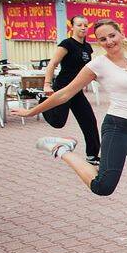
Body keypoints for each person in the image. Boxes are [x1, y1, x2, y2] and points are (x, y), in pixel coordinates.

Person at [12, 20, 127, 253]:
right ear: (98, 43)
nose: (109, 41)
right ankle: (62, 150)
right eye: (103, 39)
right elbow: (66, 93)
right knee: (103, 186)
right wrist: (32, 111)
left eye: (112, 35)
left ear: (120, 35)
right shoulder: (98, 65)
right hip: (116, 128)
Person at [41, 14, 101, 165]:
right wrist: (47, 84)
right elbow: (52, 63)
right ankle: (43, 100)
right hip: (63, 88)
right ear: (72, 27)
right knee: (58, 122)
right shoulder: (67, 44)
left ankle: (92, 156)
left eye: (85, 25)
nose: (83, 28)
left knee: (89, 121)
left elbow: (89, 69)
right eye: (79, 25)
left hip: (77, 90)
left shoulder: (87, 47)